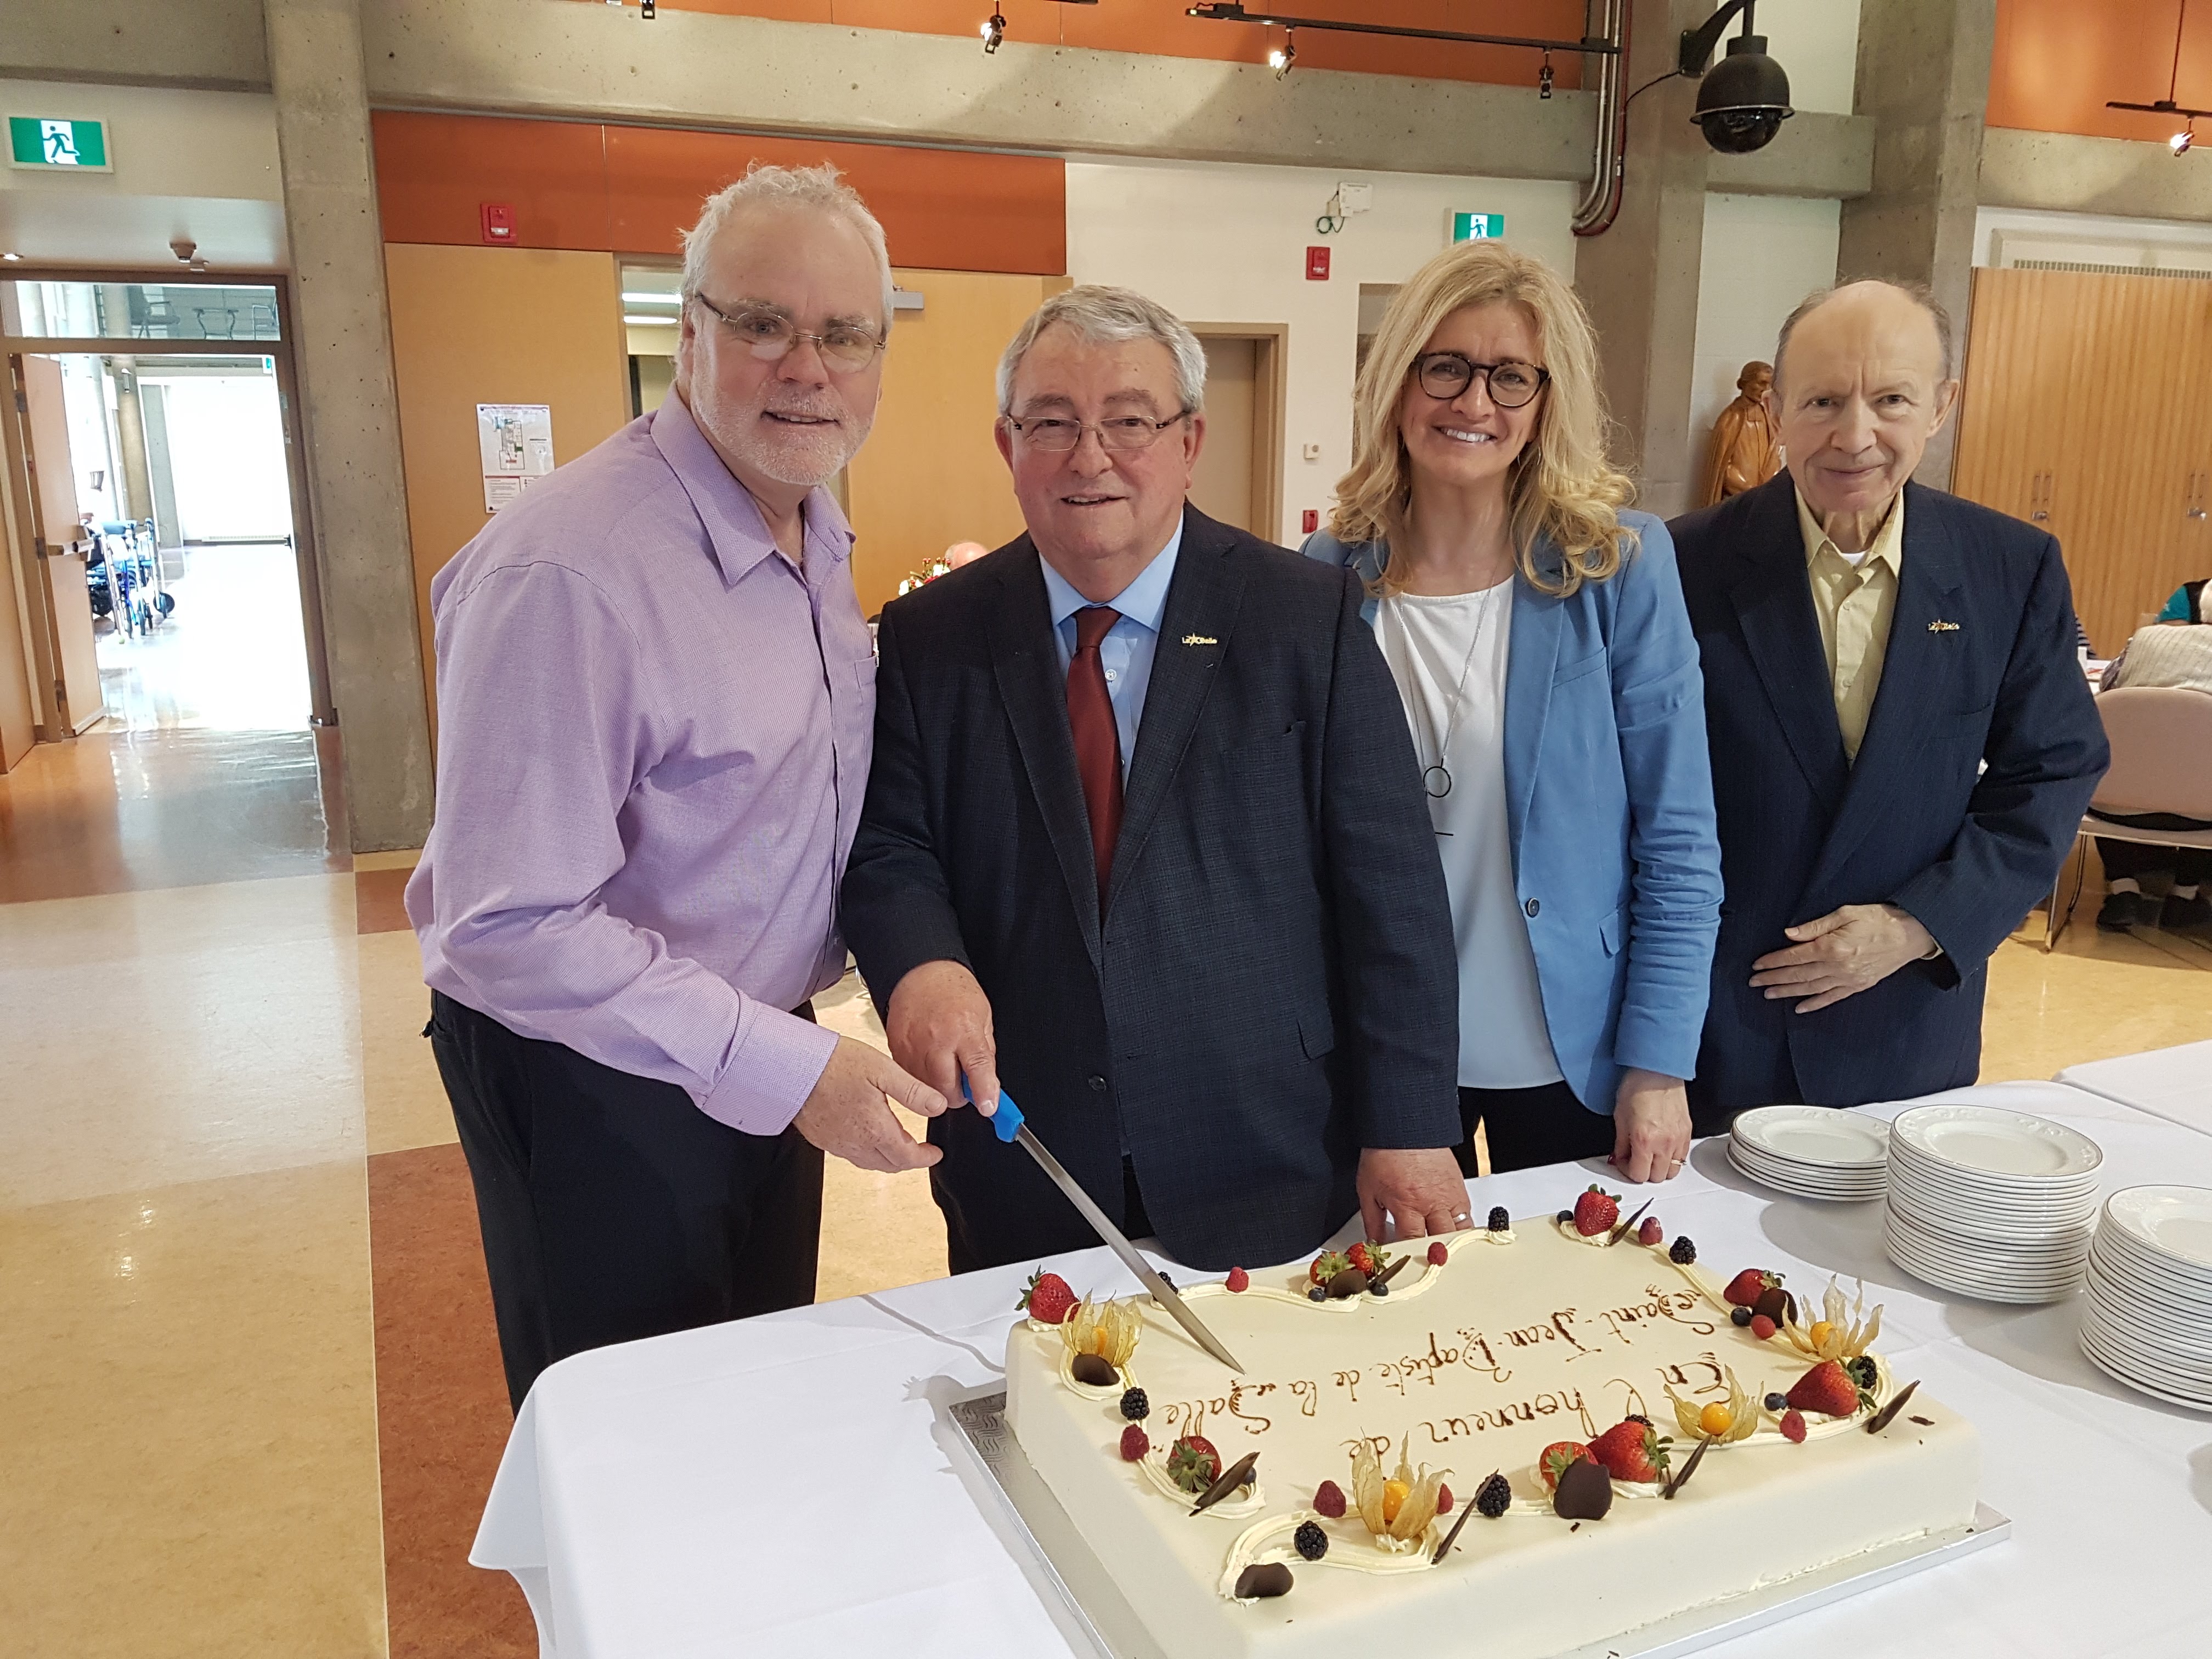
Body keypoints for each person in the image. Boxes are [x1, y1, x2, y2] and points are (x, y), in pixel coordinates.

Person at [406, 163, 955, 1411]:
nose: (805, 366)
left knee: (745, 1396)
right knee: (627, 1438)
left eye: (844, 334)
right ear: (689, 332)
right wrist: (787, 1064)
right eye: (763, 324)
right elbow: (504, 924)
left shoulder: (809, 524)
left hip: (758, 1050)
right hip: (592, 1073)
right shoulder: (572, 571)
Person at [842, 285, 1466, 1274]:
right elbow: (890, 847)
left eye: (1128, 421)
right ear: (1007, 447)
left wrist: (1410, 1124)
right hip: (1025, 1159)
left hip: (1269, 1154)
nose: (1090, 456)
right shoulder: (932, 635)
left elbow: (1390, 890)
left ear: (1189, 442)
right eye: (1052, 422)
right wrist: (921, 964)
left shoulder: (1302, 616)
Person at [1304, 241, 1722, 1185]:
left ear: (1545, 403)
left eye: (1508, 377)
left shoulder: (1619, 568)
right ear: (1398, 380)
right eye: (1444, 366)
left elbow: (1681, 837)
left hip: (1574, 1058)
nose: (1472, 402)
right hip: (1386, 1064)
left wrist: (1659, 1063)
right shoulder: (1323, 581)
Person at [1671, 280, 2109, 1118]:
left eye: (1892, 400)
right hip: (1716, 1023)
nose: (1855, 436)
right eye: (1824, 400)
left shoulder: (2008, 568)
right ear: (1775, 413)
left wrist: (1918, 925)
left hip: (1903, 1019)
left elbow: (2055, 767)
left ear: (1941, 407)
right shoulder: (1681, 564)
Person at [2093, 617, 2212, 932]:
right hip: (2204, 816)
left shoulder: (2144, 639)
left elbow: (2108, 689)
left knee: (2117, 761)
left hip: (2113, 809)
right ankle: (2184, 897)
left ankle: (2123, 889)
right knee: (2198, 770)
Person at [1695, 360, 1783, 509]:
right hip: (1738, 499)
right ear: (1743, 383)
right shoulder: (1732, 418)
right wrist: (1749, 490)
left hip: (1763, 497)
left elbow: (1775, 454)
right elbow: (1725, 467)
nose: (1766, 389)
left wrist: (1769, 486)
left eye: (1769, 384)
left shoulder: (1768, 417)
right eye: (1761, 383)